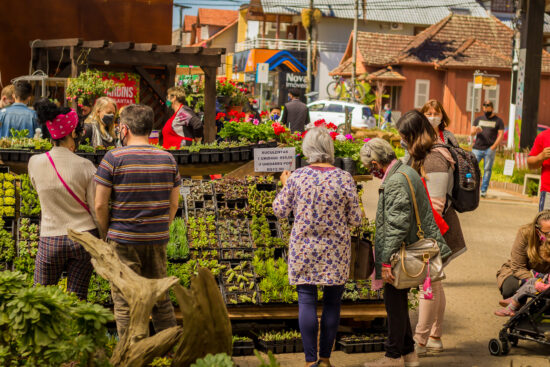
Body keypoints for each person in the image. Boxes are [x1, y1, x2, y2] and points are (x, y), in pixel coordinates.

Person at [273, 127, 362, 367]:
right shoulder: (344, 178)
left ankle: (309, 361)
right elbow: (356, 219)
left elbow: (279, 210)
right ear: (330, 150)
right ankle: (325, 359)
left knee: (306, 300)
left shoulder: (298, 176)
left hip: (304, 247)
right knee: (333, 302)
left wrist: (285, 183)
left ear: (307, 149)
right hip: (336, 249)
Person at [360, 137, 451, 367]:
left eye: (368, 167)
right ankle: (409, 355)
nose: (370, 172)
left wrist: (386, 262)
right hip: (405, 249)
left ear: (375, 162)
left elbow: (397, 223)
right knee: (398, 302)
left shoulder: (396, 181)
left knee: (394, 304)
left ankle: (392, 357)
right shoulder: (404, 172)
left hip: (400, 254)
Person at [95, 104, 180, 337]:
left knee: (124, 300)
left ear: (124, 129)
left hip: (122, 239)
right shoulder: (168, 158)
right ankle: (169, 352)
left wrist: (105, 234)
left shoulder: (113, 158)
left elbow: (100, 204)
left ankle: (132, 353)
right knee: (160, 298)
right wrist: (162, 228)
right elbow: (174, 204)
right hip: (156, 240)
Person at [396, 110, 467, 356]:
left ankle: (420, 341)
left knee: (429, 285)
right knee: (435, 284)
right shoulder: (422, 155)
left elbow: (435, 205)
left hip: (434, 231)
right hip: (431, 229)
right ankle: (434, 336)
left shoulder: (435, 159)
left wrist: (420, 237)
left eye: (405, 136)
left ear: (414, 134)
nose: (402, 140)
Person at [29, 98, 97, 300]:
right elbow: (94, 207)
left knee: (40, 299)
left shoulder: (35, 163)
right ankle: (75, 332)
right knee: (77, 300)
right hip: (84, 238)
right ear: (73, 133)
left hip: (50, 237)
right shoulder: (86, 166)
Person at [496, 210, 550, 299]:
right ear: (538, 232)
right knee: (511, 289)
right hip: (521, 271)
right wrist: (534, 282)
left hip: (547, 276)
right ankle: (515, 308)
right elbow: (518, 266)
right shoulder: (525, 233)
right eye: (548, 233)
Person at [470, 100, 504, 198]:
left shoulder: (498, 121)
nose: (485, 108)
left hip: (489, 149)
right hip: (477, 148)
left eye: (487, 106)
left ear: (492, 108)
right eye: (484, 106)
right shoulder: (478, 119)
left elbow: (501, 135)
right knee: (471, 167)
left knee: (487, 169)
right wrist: (475, 130)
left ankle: (483, 190)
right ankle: (472, 187)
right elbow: (471, 132)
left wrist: (493, 147)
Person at [527, 128, 550, 211]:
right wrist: (541, 157)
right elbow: (530, 164)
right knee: (545, 223)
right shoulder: (544, 136)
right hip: (548, 192)